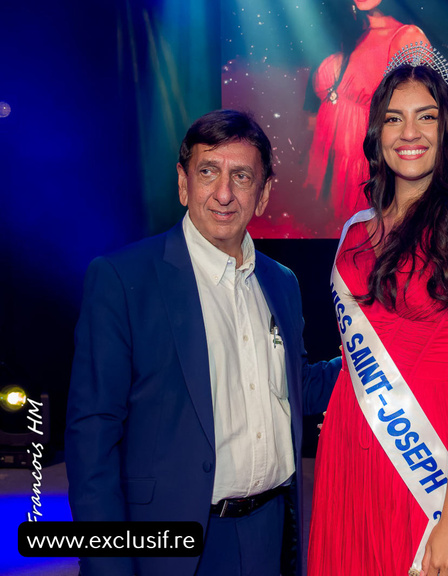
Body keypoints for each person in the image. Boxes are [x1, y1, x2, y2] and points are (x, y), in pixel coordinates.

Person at [66, 109, 341, 576]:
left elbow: (296, 387)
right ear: (183, 182)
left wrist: (377, 353)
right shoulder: (123, 279)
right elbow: (92, 438)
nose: (224, 193)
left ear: (263, 193)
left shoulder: (281, 282)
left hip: (271, 533)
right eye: (208, 171)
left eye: (242, 176)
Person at [307, 47, 448, 576]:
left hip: (432, 460)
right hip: (351, 452)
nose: (410, 132)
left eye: (426, 117)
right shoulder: (354, 232)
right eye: (394, 118)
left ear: (447, 130)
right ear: (376, 131)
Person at [304, 0, 427, 233]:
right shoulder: (353, 30)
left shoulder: (407, 36)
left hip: (364, 168)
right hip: (329, 165)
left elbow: (422, 115)